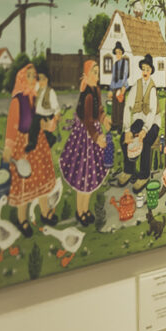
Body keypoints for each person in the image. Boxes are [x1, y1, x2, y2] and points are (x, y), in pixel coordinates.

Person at [2, 64, 57, 236]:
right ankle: (22, 219)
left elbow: (40, 119)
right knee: (23, 181)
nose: (33, 79)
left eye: (34, 76)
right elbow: (12, 125)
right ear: (22, 79)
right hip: (23, 144)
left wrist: (48, 125)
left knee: (41, 176)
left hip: (37, 142)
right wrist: (8, 146)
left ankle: (44, 211)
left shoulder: (36, 97)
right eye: (29, 76)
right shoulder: (17, 100)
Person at [59, 59, 111, 225]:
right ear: (87, 74)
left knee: (91, 177)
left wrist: (104, 119)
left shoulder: (96, 90)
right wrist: (97, 138)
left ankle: (85, 210)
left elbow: (99, 110)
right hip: (86, 137)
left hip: (94, 131)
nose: (97, 75)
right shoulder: (87, 94)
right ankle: (80, 210)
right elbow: (88, 120)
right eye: (94, 72)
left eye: (98, 72)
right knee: (83, 174)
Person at [119, 54, 161, 195]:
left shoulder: (152, 88)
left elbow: (152, 112)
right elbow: (128, 107)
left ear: (151, 71)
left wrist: (144, 130)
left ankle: (144, 175)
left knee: (146, 141)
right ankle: (129, 170)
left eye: (148, 69)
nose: (145, 72)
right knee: (123, 139)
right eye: (143, 69)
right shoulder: (136, 85)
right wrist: (127, 130)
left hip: (153, 122)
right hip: (139, 120)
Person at [25, 64, 60, 153]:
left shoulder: (50, 92)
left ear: (47, 80)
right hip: (38, 114)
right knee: (33, 128)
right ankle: (32, 144)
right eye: (39, 79)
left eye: (43, 79)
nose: (41, 82)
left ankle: (51, 139)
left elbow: (55, 106)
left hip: (47, 114)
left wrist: (56, 115)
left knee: (45, 129)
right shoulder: (38, 87)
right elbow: (30, 86)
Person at [109, 41, 129, 131]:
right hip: (115, 87)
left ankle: (120, 125)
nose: (118, 54)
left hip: (122, 87)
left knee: (120, 107)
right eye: (116, 53)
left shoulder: (125, 63)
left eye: (119, 52)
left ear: (122, 53)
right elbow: (113, 77)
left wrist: (123, 87)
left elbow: (125, 75)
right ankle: (114, 124)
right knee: (114, 106)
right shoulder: (115, 65)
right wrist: (110, 89)